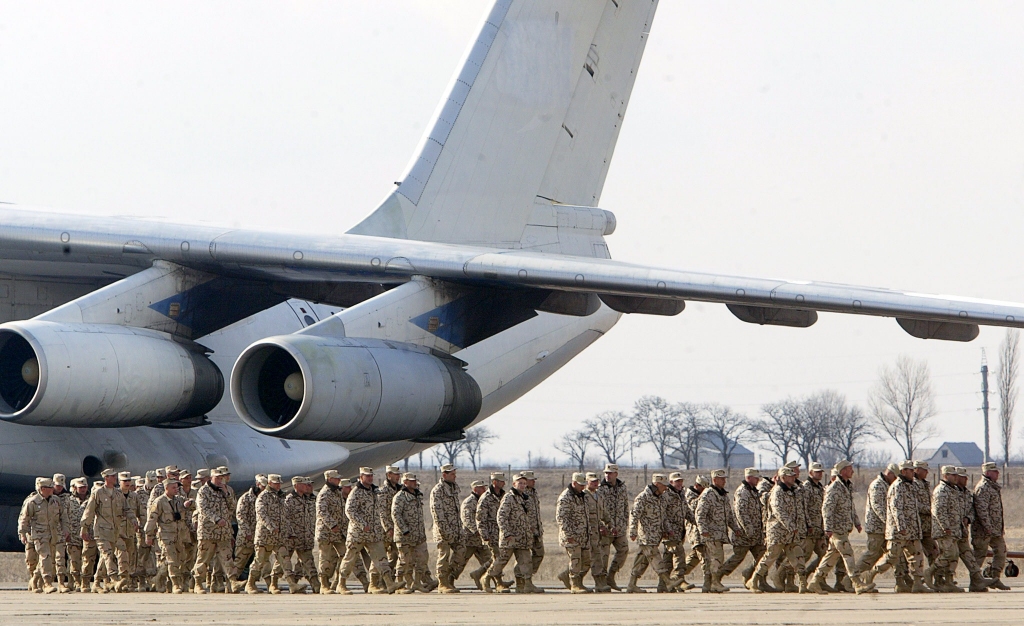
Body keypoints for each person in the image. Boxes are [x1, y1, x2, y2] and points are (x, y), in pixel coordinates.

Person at [808, 460, 872, 594]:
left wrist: (856, 522)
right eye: (850, 469)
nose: (852, 471)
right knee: (848, 554)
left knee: (830, 557)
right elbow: (827, 509)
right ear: (843, 471)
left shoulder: (846, 486)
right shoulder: (834, 488)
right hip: (837, 529)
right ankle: (857, 583)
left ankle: (815, 581)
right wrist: (828, 528)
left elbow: (850, 507)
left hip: (843, 528)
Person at [339, 467, 401, 594]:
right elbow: (349, 510)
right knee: (350, 559)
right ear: (361, 477)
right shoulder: (356, 492)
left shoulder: (374, 492)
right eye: (367, 476)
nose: (370, 478)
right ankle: (341, 584)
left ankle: (389, 583)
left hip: (374, 534)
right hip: (358, 534)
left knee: (381, 558)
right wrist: (362, 524)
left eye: (371, 476)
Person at [750, 467, 808, 594]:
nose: (794, 477)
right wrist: (791, 526)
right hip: (778, 532)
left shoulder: (794, 492)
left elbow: (799, 511)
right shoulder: (777, 492)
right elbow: (779, 512)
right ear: (783, 477)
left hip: (791, 533)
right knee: (770, 556)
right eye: (790, 476)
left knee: (798, 556)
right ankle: (754, 580)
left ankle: (803, 583)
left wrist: (800, 527)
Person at [82, 468, 137, 593]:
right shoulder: (98, 493)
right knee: (107, 554)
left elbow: (126, 509)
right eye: (113, 476)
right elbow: (89, 511)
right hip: (101, 531)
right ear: (106, 478)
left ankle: (96, 582)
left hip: (115, 531)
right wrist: (84, 527)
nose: (115, 478)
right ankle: (113, 578)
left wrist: (133, 519)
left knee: (105, 556)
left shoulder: (118, 494)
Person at [193, 467, 243, 594]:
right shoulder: (203, 491)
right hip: (208, 531)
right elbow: (203, 509)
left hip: (224, 532)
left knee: (227, 558)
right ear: (211, 478)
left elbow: (233, 507)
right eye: (217, 478)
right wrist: (216, 519)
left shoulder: (225, 491)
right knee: (203, 558)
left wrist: (227, 494)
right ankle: (198, 583)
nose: (220, 481)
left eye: (221, 478)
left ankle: (233, 581)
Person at [886, 460, 931, 593]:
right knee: (892, 557)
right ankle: (870, 574)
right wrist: (901, 526)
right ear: (904, 471)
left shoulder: (910, 486)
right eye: (911, 470)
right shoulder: (897, 486)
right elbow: (896, 508)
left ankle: (917, 583)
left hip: (913, 530)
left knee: (917, 556)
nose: (913, 473)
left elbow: (914, 508)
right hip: (900, 531)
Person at [628, 474, 675, 593]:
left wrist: (667, 530)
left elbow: (663, 517)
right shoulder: (643, 497)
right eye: (663, 485)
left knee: (641, 561)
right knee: (655, 557)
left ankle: (631, 584)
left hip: (656, 535)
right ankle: (668, 581)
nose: (665, 488)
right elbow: (634, 515)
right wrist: (632, 532)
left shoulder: (662, 498)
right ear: (657, 484)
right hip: (646, 535)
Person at [695, 469, 740, 593]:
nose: (724, 481)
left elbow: (729, 515)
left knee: (715, 558)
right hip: (711, 533)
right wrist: (703, 529)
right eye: (721, 479)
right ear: (715, 480)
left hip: (720, 533)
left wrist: (735, 528)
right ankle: (715, 583)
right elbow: (700, 514)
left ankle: (708, 585)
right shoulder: (708, 494)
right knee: (716, 558)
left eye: (725, 478)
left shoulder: (723, 495)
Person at [489, 474, 535, 594]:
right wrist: (507, 533)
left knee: (526, 561)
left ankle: (527, 584)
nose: (523, 485)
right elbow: (501, 516)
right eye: (520, 483)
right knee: (502, 560)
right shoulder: (509, 497)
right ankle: (487, 577)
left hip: (522, 538)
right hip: (510, 537)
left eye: (525, 483)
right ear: (514, 484)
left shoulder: (524, 498)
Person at [19, 477, 65, 594]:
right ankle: (47, 583)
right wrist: (22, 533)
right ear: (43, 489)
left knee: (48, 559)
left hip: (52, 534)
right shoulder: (32, 502)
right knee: (45, 557)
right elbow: (24, 519)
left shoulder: (55, 500)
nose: (52, 490)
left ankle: (34, 579)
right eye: (50, 488)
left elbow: (63, 517)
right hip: (39, 535)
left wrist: (66, 530)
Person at [722, 468, 766, 590]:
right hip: (744, 534)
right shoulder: (742, 492)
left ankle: (757, 580)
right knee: (737, 558)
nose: (758, 480)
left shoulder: (753, 491)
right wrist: (748, 530)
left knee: (762, 556)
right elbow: (741, 513)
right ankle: (717, 576)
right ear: (749, 478)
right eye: (756, 478)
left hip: (756, 534)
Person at [247, 474, 291, 594]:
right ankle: (250, 583)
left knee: (285, 559)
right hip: (265, 536)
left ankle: (283, 584)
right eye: (276, 483)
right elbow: (261, 514)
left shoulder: (280, 497)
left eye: (279, 483)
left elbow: (285, 516)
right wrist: (272, 527)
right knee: (260, 561)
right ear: (270, 484)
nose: (278, 485)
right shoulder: (263, 497)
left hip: (279, 536)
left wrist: (286, 530)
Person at [144, 479, 190, 594]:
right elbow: (152, 519)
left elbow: (193, 505)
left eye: (177, 487)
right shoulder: (159, 502)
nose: (176, 489)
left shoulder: (179, 500)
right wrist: (149, 535)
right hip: (166, 536)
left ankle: (159, 580)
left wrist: (189, 504)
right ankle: (176, 584)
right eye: (174, 487)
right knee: (172, 559)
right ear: (167, 488)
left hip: (179, 535)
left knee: (179, 559)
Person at [856, 463, 897, 586]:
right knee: (872, 554)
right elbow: (879, 507)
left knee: (892, 554)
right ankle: (851, 579)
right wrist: (890, 523)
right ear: (889, 474)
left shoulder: (887, 485)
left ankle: (901, 580)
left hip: (885, 528)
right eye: (895, 477)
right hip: (876, 528)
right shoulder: (877, 486)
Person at [972, 461, 1010, 590]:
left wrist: (998, 528)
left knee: (1001, 551)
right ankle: (975, 582)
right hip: (983, 530)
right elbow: (981, 510)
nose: (998, 473)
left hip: (995, 529)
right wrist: (987, 526)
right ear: (987, 473)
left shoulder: (993, 487)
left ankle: (995, 578)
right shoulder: (983, 488)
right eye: (995, 471)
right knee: (979, 555)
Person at [556, 473, 594, 594]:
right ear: (574, 483)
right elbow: (561, 518)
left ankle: (568, 576)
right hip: (572, 536)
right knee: (576, 560)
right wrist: (569, 535)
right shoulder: (565, 497)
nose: (583, 487)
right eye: (580, 485)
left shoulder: (582, 496)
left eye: (584, 485)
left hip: (583, 535)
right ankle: (575, 585)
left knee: (587, 561)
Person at [430, 464, 465, 593]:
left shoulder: (454, 488)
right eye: (452, 474)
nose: (454, 476)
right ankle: (442, 583)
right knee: (444, 556)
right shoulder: (438, 490)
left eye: (455, 473)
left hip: (456, 528)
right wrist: (445, 531)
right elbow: (437, 513)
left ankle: (450, 578)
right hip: (443, 531)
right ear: (444, 475)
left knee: (461, 553)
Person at [392, 472, 429, 593]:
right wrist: (404, 530)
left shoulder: (417, 495)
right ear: (405, 482)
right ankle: (399, 584)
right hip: (405, 536)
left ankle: (416, 583)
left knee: (422, 559)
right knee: (404, 561)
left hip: (418, 535)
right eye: (411, 481)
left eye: (415, 480)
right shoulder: (400, 497)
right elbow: (396, 515)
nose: (414, 483)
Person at [596, 464, 630, 591]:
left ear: (616, 474)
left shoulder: (622, 488)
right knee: (603, 556)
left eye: (610, 473)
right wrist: (600, 525)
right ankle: (602, 581)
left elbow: (626, 507)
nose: (607, 475)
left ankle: (611, 576)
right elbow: (596, 510)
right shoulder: (600, 489)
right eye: (606, 473)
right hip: (606, 529)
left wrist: (625, 523)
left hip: (619, 528)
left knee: (624, 550)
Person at [314, 470, 346, 595]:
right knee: (325, 559)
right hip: (326, 532)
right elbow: (322, 512)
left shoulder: (337, 492)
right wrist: (332, 525)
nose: (338, 480)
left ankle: (339, 583)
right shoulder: (324, 494)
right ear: (329, 479)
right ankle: (324, 585)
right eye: (336, 478)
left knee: (345, 555)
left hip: (338, 532)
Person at [284, 476, 317, 593]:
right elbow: (285, 519)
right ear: (296, 486)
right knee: (282, 563)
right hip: (291, 538)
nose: (306, 486)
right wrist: (290, 533)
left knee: (309, 563)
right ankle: (273, 583)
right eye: (303, 484)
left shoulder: (307, 500)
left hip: (305, 538)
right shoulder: (289, 500)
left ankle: (316, 586)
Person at [477, 472, 508, 592]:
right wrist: (484, 535)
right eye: (501, 481)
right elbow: (480, 518)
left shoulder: (504, 496)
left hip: (501, 534)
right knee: (498, 558)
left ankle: (492, 579)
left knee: (500, 558)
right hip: (491, 534)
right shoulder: (486, 498)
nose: (503, 483)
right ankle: (494, 581)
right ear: (494, 482)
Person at [234, 474, 266, 586]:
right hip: (246, 537)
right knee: (240, 562)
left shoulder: (266, 499)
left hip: (260, 537)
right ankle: (232, 583)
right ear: (258, 485)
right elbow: (240, 516)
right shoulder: (246, 498)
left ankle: (256, 584)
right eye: (263, 486)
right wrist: (247, 532)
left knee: (262, 562)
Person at [460, 479, 491, 591]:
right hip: (470, 539)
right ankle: (448, 581)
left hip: (481, 539)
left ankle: (495, 581)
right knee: (460, 562)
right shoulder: (469, 502)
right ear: (475, 489)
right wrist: (476, 531)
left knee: (489, 560)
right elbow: (466, 519)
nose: (485, 489)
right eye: (482, 488)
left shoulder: (483, 501)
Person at [585, 472, 611, 592]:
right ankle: (571, 577)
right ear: (587, 482)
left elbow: (603, 513)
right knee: (588, 557)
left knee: (597, 556)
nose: (595, 483)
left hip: (597, 532)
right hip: (588, 532)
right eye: (592, 481)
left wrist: (610, 524)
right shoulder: (584, 496)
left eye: (597, 481)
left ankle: (599, 583)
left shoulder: (598, 495)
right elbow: (586, 516)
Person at [378, 465, 403, 588]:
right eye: (395, 474)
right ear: (389, 475)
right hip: (386, 531)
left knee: (395, 556)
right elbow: (382, 512)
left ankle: (389, 582)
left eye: (398, 474)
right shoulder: (383, 491)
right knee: (381, 558)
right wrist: (388, 528)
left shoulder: (399, 490)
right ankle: (377, 583)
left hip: (397, 529)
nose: (398, 477)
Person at [522, 470, 545, 594]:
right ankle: (524, 582)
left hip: (536, 531)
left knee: (540, 553)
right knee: (523, 558)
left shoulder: (533, 493)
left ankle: (528, 576)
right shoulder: (520, 494)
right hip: (526, 531)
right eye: (531, 480)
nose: (534, 481)